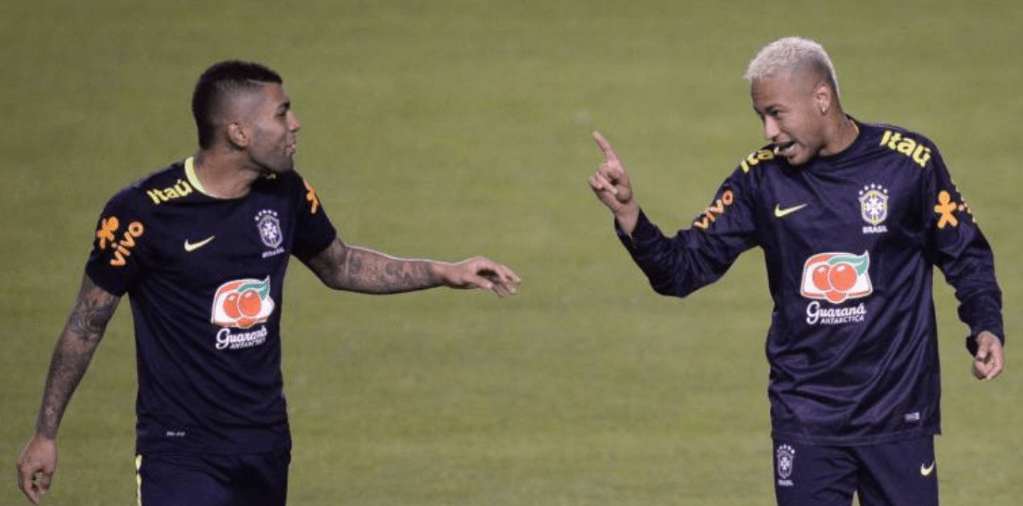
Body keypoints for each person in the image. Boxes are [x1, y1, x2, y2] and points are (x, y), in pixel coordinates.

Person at [16, 60, 520, 506]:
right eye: (281, 113)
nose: (295, 124)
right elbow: (86, 324)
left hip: (264, 443)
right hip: (181, 451)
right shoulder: (142, 213)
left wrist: (443, 271)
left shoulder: (286, 193)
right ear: (238, 132)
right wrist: (46, 432)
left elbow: (341, 265)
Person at [588, 36, 1004, 506]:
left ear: (821, 98)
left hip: (897, 415)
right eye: (761, 117)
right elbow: (680, 271)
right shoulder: (759, 180)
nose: (769, 131)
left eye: (777, 113)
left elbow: (966, 254)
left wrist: (985, 325)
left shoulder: (909, 164)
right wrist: (630, 217)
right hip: (806, 418)